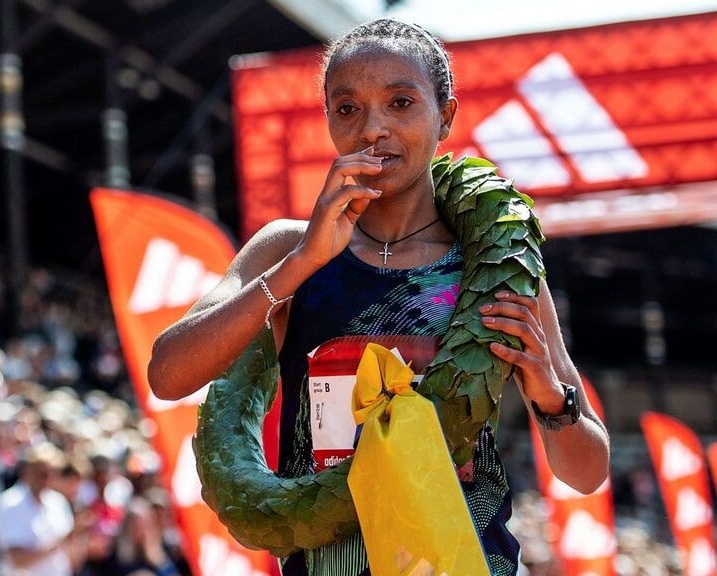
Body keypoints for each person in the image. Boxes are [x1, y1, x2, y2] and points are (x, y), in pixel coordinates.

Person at [148, 18, 610, 576]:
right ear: (327, 120)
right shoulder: (286, 248)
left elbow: (588, 473)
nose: (373, 129)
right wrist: (302, 263)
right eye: (347, 109)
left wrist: (551, 398)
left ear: (445, 116)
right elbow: (167, 374)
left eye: (400, 103)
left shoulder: (492, 266)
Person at [0, 443, 80, 576]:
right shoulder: (9, 503)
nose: (46, 478)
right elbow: (18, 560)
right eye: (40, 472)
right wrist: (61, 541)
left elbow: (71, 556)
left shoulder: (58, 502)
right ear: (26, 471)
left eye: (51, 472)